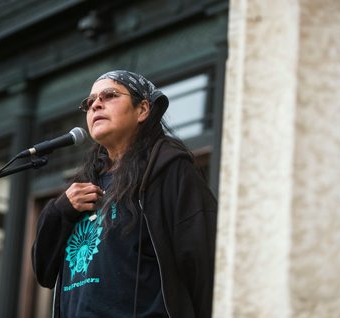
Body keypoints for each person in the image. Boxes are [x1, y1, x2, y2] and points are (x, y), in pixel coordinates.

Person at [32, 70, 217, 318]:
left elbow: (204, 263)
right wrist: (60, 210)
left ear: (143, 109)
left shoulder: (169, 170)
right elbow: (43, 271)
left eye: (109, 95)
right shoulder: (82, 186)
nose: (96, 104)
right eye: (90, 102)